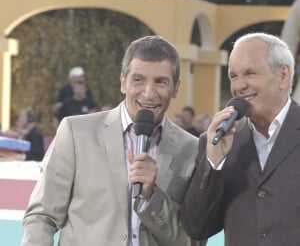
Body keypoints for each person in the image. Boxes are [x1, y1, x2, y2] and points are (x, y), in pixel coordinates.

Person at [22, 35, 206, 246]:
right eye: (138, 80)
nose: (149, 93)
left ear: (176, 89)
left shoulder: (192, 149)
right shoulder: (76, 132)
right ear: (123, 82)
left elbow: (193, 241)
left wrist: (151, 196)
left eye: (160, 82)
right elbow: (41, 216)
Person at [180, 32, 299, 246]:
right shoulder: (217, 141)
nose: (239, 86)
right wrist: (213, 163)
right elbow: (197, 227)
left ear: (283, 75)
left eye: (250, 73)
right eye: (233, 76)